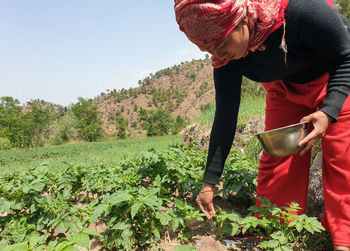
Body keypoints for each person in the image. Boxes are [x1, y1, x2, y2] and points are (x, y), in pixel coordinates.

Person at [174, 0, 350, 250]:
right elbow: (225, 116)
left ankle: (343, 240)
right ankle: (275, 232)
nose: (219, 55)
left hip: (336, 76)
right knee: (280, 154)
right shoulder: (226, 60)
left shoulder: (302, 11)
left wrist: (329, 111)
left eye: (223, 44)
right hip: (285, 86)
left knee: (342, 155)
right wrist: (209, 183)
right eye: (210, 50)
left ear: (242, 19)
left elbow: (346, 57)